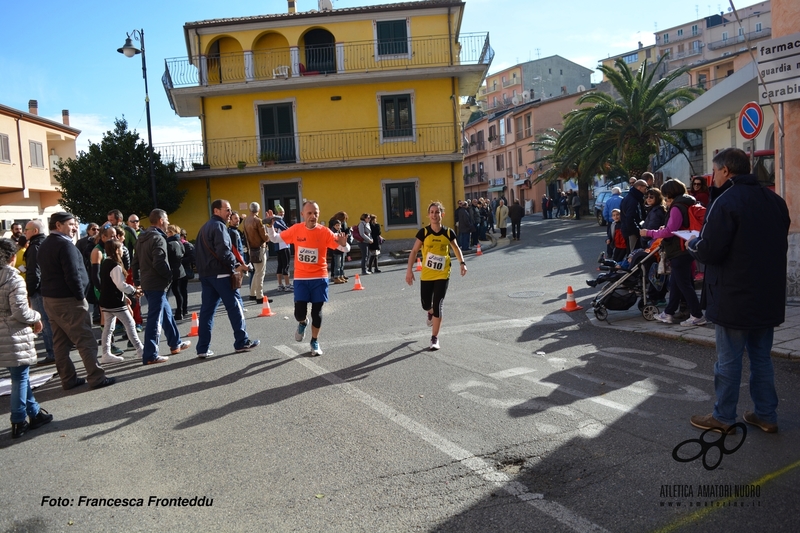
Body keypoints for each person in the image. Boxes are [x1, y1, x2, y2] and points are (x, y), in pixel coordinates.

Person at [687, 148, 790, 435]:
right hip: (767, 294)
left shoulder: (726, 202)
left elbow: (710, 250)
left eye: (715, 171)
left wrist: (693, 245)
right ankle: (766, 414)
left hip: (733, 295)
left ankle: (723, 417)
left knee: (729, 360)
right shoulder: (775, 200)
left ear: (726, 171)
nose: (713, 176)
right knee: (761, 357)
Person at [37, 212, 115, 391]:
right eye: (71, 224)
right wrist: (80, 297)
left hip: (51, 299)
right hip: (68, 300)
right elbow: (72, 274)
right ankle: (96, 377)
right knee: (85, 339)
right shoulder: (65, 245)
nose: (74, 228)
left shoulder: (45, 244)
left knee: (61, 342)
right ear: (58, 225)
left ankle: (68, 378)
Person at [266, 201, 349, 356]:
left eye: (316, 213)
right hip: (301, 278)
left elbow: (342, 247)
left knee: (317, 312)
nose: (313, 216)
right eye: (309, 213)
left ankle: (314, 341)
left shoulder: (324, 232)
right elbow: (275, 239)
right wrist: (270, 227)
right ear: (303, 214)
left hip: (319, 277)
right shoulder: (296, 229)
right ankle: (303, 323)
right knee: (299, 313)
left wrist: (345, 245)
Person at [0, 238, 54, 439]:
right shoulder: (13, 279)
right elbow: (21, 312)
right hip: (13, 334)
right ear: (13, 257)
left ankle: (35, 413)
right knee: (20, 377)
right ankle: (18, 419)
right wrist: (37, 317)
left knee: (18, 377)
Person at [194, 199, 260, 359]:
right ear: (216, 211)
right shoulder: (219, 227)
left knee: (207, 312)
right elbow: (224, 251)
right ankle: (241, 342)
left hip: (206, 275)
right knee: (235, 307)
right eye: (227, 210)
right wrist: (238, 265)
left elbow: (199, 253)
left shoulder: (203, 228)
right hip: (222, 274)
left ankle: (202, 348)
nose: (230, 213)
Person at [640, 179, 706, 327]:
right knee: (676, 283)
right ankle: (668, 313)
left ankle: (697, 315)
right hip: (686, 247)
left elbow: (670, 231)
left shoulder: (677, 207)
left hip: (678, 249)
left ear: (669, 193)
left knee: (684, 284)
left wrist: (649, 233)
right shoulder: (688, 202)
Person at [405, 202, 467, 351]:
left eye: (437, 212)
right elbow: (414, 251)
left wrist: (462, 263)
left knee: (439, 304)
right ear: (428, 215)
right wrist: (409, 270)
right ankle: (430, 312)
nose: (434, 215)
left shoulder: (448, 232)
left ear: (442, 214)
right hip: (427, 274)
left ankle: (434, 338)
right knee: (426, 304)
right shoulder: (424, 233)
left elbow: (456, 248)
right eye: (432, 212)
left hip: (442, 273)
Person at [132, 209, 191, 365]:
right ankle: (150, 355)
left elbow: (135, 261)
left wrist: (138, 281)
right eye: (166, 219)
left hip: (148, 281)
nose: (168, 222)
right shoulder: (158, 238)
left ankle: (175, 343)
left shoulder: (142, 238)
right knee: (154, 319)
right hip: (156, 283)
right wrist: (169, 276)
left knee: (166, 313)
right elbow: (159, 263)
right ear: (160, 220)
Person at [99, 240, 144, 364]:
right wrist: (134, 291)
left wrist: (125, 295)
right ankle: (140, 349)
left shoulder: (105, 262)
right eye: (121, 248)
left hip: (107, 301)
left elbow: (112, 284)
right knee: (130, 324)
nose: (123, 250)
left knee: (108, 328)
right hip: (115, 302)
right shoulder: (115, 265)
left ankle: (105, 353)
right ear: (116, 250)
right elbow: (120, 285)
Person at [23, 219, 55, 365]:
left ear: (35, 231)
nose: (24, 232)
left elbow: (34, 271)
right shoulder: (49, 243)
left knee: (44, 321)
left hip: (39, 289)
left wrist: (30, 291)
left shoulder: (35, 247)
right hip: (50, 287)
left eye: (26, 229)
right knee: (52, 320)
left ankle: (52, 353)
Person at [243, 202, 269, 302]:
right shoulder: (258, 221)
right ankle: (259, 295)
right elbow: (265, 237)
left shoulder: (245, 221)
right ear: (258, 210)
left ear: (250, 210)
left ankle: (253, 293)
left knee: (256, 272)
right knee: (260, 273)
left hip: (251, 249)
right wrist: (269, 235)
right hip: (260, 248)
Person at [620, 179, 648, 252]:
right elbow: (630, 219)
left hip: (630, 230)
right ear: (639, 187)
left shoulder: (632, 197)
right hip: (631, 233)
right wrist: (638, 231)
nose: (646, 190)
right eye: (645, 188)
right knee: (632, 254)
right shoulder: (632, 200)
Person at [166, 224, 187, 320]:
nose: (166, 233)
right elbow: (182, 253)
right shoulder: (179, 242)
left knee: (167, 293)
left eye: (168, 232)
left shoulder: (169, 244)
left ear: (172, 233)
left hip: (172, 271)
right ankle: (181, 311)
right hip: (180, 270)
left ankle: (168, 313)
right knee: (178, 292)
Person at [271, 205, 293, 290]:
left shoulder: (276, 221)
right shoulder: (279, 220)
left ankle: (280, 285)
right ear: (277, 213)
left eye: (283, 212)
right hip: (283, 245)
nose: (282, 214)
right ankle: (287, 285)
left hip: (278, 246)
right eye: (280, 212)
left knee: (280, 265)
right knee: (286, 265)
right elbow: (287, 230)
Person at [178, 229, 195, 318]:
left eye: (179, 235)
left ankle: (184, 309)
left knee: (182, 290)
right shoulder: (177, 244)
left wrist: (180, 261)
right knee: (179, 290)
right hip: (178, 270)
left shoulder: (187, 245)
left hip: (184, 271)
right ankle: (181, 308)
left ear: (183, 236)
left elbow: (192, 257)